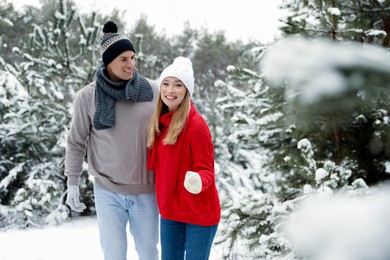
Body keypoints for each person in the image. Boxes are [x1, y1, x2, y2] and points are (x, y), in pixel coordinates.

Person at [64, 20, 159, 260]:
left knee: (148, 253)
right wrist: (72, 183)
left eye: (133, 58)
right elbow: (76, 142)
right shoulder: (88, 96)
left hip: (147, 191)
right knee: (113, 255)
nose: (131, 64)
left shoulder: (153, 91)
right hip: (107, 190)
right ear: (109, 61)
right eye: (123, 59)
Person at [147, 56, 221, 260]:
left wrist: (198, 180)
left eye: (178, 85)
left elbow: (206, 170)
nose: (170, 90)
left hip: (199, 213)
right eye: (166, 84)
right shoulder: (159, 123)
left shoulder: (196, 125)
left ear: (187, 91)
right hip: (171, 211)